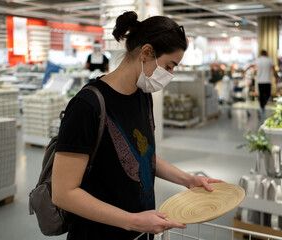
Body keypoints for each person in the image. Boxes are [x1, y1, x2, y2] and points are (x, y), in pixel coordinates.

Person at [52, 11, 223, 240]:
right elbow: (63, 193)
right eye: (169, 66)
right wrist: (131, 221)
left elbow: (143, 156)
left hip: (140, 231)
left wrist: (188, 179)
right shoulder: (87, 106)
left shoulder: (142, 96)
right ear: (146, 52)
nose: (170, 75)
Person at [242, 50, 278, 117]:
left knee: (261, 96)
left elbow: (250, 66)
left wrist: (244, 71)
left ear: (261, 54)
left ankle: (262, 107)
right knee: (267, 95)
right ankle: (262, 107)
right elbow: (274, 70)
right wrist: (276, 77)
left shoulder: (258, 60)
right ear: (266, 54)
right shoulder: (270, 60)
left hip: (260, 81)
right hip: (267, 80)